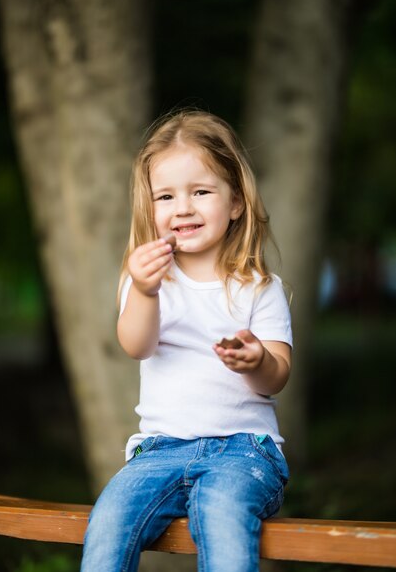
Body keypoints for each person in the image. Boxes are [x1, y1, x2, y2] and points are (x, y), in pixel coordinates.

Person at [80, 110, 292, 572]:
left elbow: (275, 378)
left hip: (244, 450)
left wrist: (256, 360)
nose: (183, 208)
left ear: (235, 202)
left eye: (201, 191)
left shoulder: (259, 286)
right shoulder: (146, 280)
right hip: (159, 449)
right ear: (150, 208)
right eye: (166, 196)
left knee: (221, 513)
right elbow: (136, 345)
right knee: (108, 521)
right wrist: (143, 290)